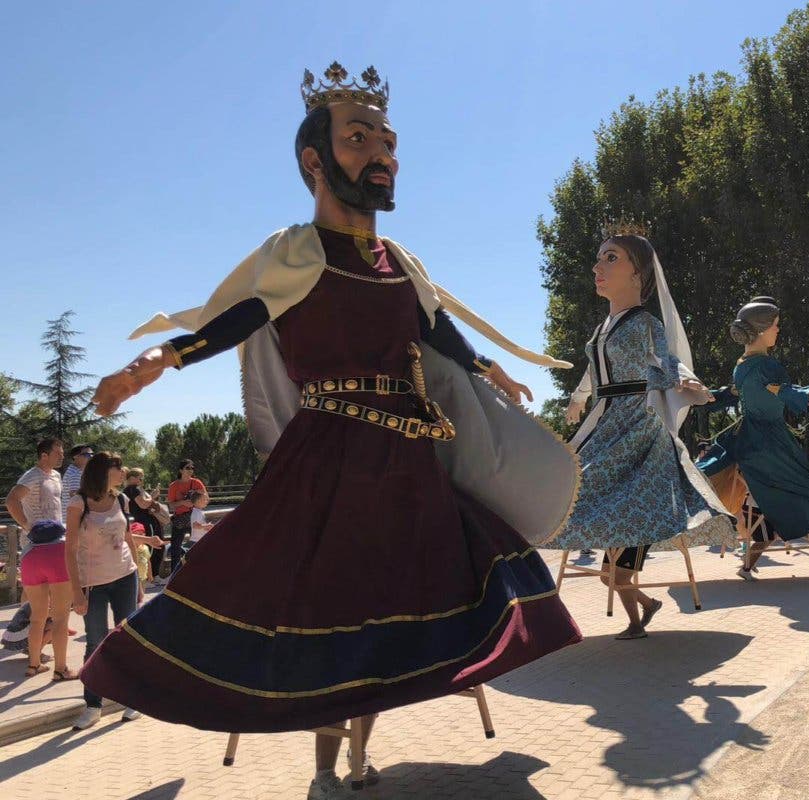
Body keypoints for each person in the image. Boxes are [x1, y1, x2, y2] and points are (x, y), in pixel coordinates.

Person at [84, 63, 580, 799]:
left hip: (408, 458)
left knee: (398, 611)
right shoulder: (297, 252)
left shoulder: (396, 264)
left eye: (387, 139)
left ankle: (358, 760)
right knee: (329, 606)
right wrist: (159, 360)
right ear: (315, 161)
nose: (382, 153)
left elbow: (435, 330)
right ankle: (322, 770)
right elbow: (239, 317)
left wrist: (493, 375)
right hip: (329, 460)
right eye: (359, 138)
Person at [561, 226, 733, 637]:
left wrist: (684, 384)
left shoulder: (644, 321)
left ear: (638, 273)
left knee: (630, 490)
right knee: (575, 485)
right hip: (605, 420)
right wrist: (578, 397)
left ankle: (633, 596)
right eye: (600, 257)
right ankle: (635, 599)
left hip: (636, 422)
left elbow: (665, 360)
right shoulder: (603, 329)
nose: (597, 266)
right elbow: (593, 369)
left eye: (611, 258)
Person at [698, 297, 809, 576]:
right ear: (760, 329)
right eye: (776, 326)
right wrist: (799, 396)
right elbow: (775, 389)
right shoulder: (768, 366)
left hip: (746, 438)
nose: (778, 331)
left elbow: (743, 392)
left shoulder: (742, 363)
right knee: (797, 486)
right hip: (768, 441)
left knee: (748, 487)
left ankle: (751, 548)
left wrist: (708, 397)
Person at [66, 451, 164, 729]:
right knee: (95, 643)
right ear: (102, 471)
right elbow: (70, 550)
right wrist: (76, 592)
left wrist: (140, 580)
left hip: (125, 576)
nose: (122, 472)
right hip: (92, 583)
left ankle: (133, 700)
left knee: (128, 639)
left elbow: (127, 537)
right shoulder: (78, 504)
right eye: (117, 467)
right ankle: (92, 705)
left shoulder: (120, 499)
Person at [18, 520, 74, 680]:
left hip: (30, 562)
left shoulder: (28, 549)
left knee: (36, 619)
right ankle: (61, 670)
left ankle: (33, 665)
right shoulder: (62, 546)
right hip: (57, 559)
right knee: (61, 619)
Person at [123, 468, 167, 584]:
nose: (141, 481)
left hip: (146, 522)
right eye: (140, 478)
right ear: (132, 478)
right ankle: (150, 578)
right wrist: (152, 497)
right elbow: (143, 504)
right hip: (144, 523)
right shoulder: (132, 489)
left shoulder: (134, 490)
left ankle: (153, 576)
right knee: (151, 549)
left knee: (154, 549)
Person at [166, 460, 205, 576]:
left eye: (192, 468)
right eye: (187, 468)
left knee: (199, 544)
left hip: (194, 518)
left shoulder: (197, 483)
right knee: (175, 547)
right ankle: (174, 574)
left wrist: (193, 502)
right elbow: (171, 504)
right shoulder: (174, 486)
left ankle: (199, 570)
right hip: (180, 520)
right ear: (181, 470)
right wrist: (183, 502)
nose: (190, 470)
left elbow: (205, 498)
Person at [60, 444, 93, 511]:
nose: (91, 457)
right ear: (75, 456)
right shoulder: (75, 474)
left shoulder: (75, 471)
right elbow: (75, 497)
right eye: (87, 455)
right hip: (75, 517)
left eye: (92, 454)